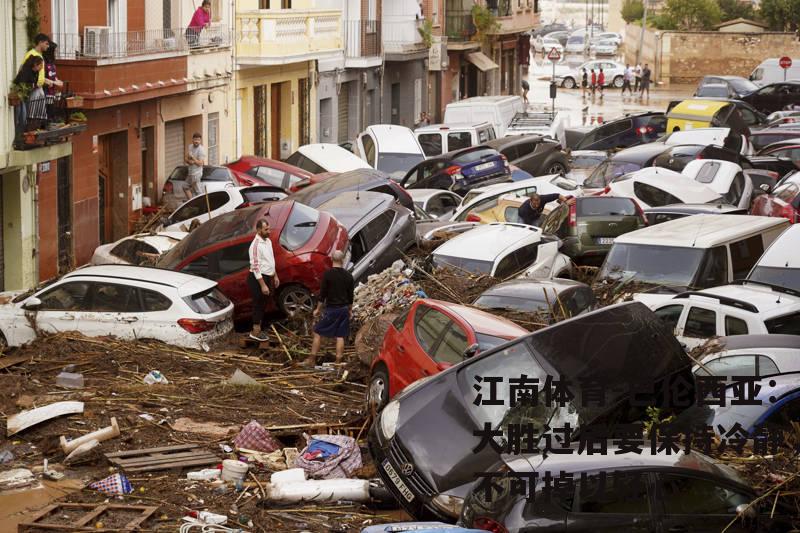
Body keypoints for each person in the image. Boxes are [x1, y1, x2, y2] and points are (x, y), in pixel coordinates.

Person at [305, 250, 355, 366]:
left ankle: (312, 359)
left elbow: (323, 295)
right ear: (342, 260)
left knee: (317, 332)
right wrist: (350, 310)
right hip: (343, 310)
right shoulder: (348, 276)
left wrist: (317, 309)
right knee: (340, 336)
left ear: (331, 259)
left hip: (332, 310)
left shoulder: (328, 275)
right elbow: (350, 296)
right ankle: (338, 362)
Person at [247, 219, 280, 342]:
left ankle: (260, 328)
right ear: (259, 230)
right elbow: (255, 267)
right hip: (258, 279)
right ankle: (255, 332)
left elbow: (271, 260)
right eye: (266, 229)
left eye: (269, 228)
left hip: (268, 276)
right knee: (258, 304)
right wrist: (263, 285)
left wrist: (275, 275)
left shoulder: (268, 241)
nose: (269, 231)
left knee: (264, 303)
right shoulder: (255, 246)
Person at [184, 133, 206, 200]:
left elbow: (200, 163)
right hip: (190, 173)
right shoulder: (190, 146)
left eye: (198, 140)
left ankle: (201, 205)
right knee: (185, 187)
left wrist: (193, 158)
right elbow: (186, 157)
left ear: (200, 141)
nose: (196, 141)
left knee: (198, 192)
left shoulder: (201, 150)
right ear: (192, 139)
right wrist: (188, 161)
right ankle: (191, 203)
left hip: (196, 174)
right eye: (195, 139)